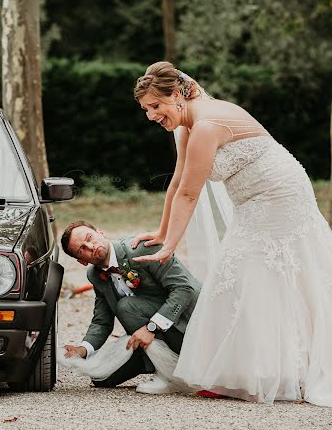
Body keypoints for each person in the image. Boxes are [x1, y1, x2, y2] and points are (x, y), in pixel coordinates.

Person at [132, 60, 332, 406]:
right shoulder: (185, 127)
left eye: (155, 106)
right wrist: (163, 231)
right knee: (236, 271)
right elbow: (178, 181)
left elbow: (190, 194)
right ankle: (241, 371)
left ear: (177, 95)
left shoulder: (206, 125)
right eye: (146, 110)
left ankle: (277, 370)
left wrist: (171, 247)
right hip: (251, 200)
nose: (151, 115)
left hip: (279, 193)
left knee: (256, 269)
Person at [60, 220, 202, 394]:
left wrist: (151, 328)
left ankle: (167, 374)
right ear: (82, 261)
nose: (90, 246)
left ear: (101, 233)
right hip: (151, 334)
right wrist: (83, 349)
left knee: (126, 307)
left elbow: (183, 289)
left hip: (189, 322)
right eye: (82, 249)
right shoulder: (95, 275)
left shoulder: (141, 249)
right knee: (101, 379)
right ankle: (147, 360)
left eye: (89, 237)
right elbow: (102, 320)